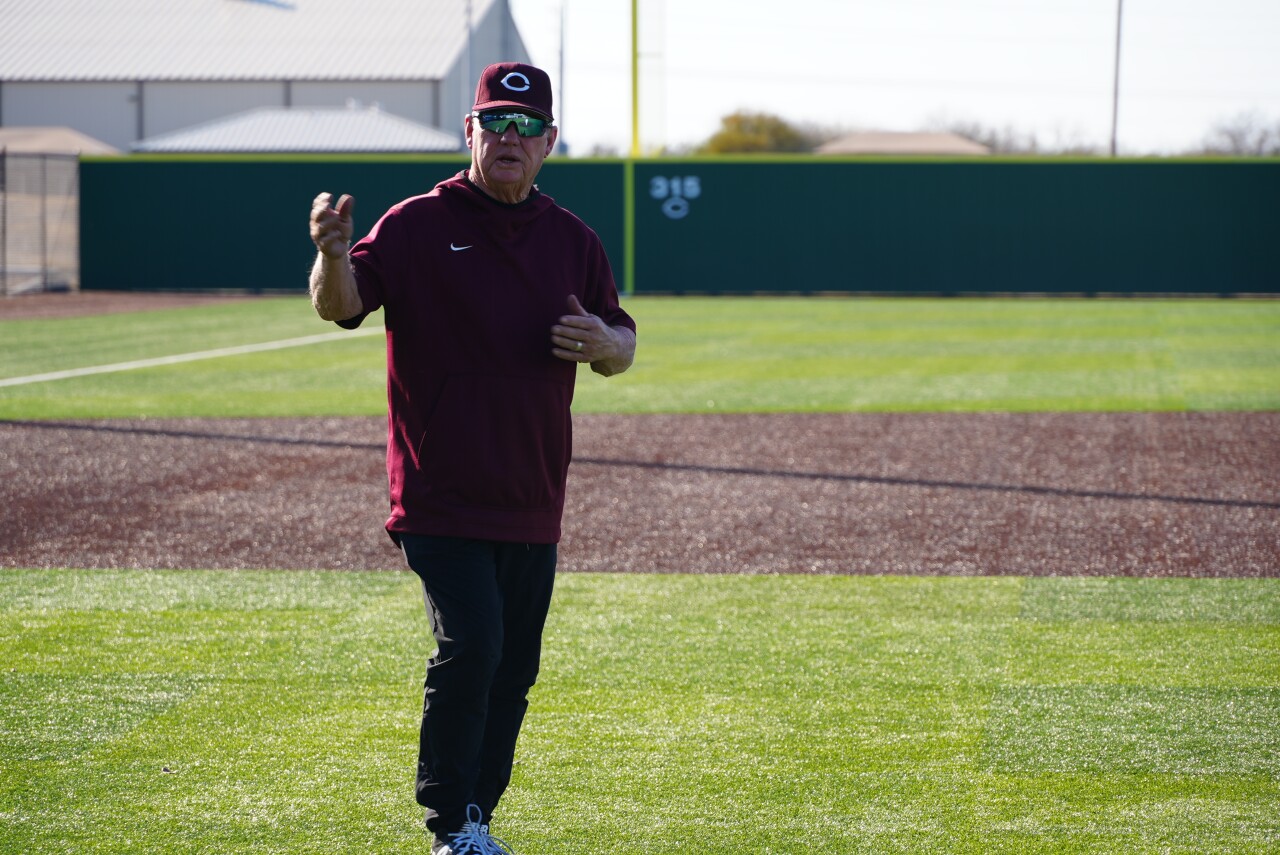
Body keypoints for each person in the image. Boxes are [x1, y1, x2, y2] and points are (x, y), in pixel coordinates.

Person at [307, 61, 636, 855]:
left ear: (549, 141)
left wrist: (605, 341)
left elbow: (620, 344)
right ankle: (448, 820)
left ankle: (475, 819)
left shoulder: (573, 240)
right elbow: (341, 306)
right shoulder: (417, 223)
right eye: (495, 122)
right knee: (474, 645)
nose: (509, 137)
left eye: (526, 126)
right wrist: (333, 256)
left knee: (513, 667)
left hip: (531, 494)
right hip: (440, 492)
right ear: (470, 131)